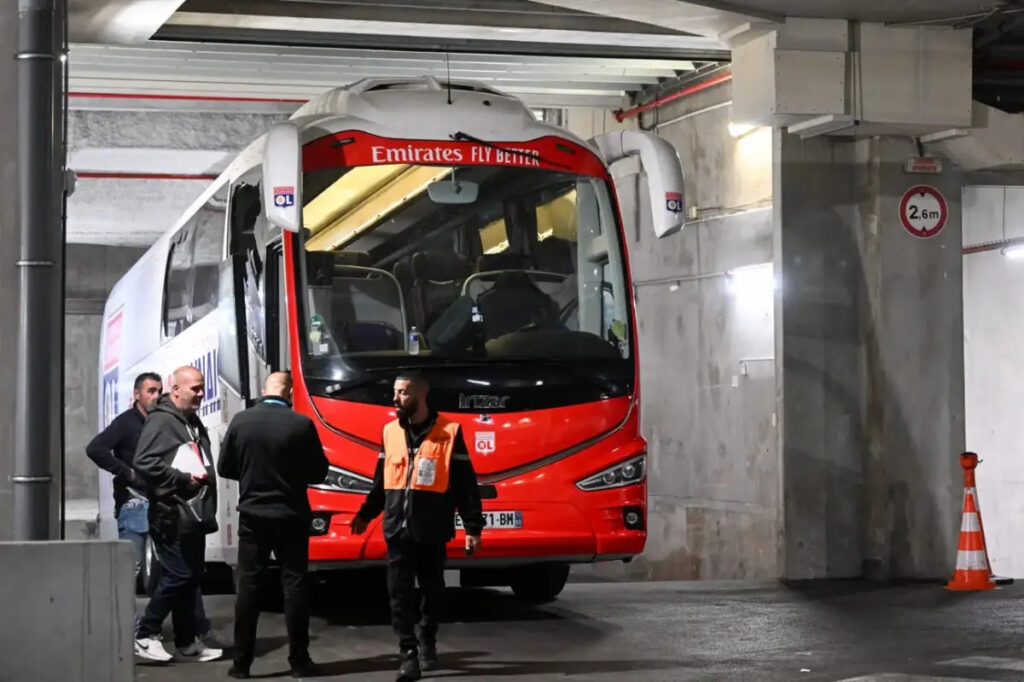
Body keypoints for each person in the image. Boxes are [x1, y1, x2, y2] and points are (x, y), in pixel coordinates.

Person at [351, 371, 484, 682]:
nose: (395, 398)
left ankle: (427, 637)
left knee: (432, 590)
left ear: (420, 395)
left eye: (402, 393)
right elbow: (380, 482)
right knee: (398, 593)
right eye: (395, 392)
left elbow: (465, 485)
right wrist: (365, 514)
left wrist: (473, 528)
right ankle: (407, 651)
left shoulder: (449, 431)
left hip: (432, 528)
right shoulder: (389, 432)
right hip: (397, 527)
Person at [85, 372, 218, 646]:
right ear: (137, 395)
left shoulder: (178, 421)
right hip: (135, 501)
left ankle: (191, 633)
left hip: (166, 501)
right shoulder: (129, 423)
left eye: (158, 390)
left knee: (183, 571)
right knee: (133, 567)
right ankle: (138, 631)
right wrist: (128, 473)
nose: (155, 396)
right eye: (150, 391)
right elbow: (96, 448)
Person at [217, 372, 329, 679]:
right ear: (289, 393)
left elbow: (224, 467)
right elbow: (319, 471)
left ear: (264, 390)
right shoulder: (301, 424)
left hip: (253, 516)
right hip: (292, 516)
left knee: (250, 588)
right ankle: (299, 661)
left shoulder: (241, 422)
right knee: (294, 586)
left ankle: (242, 665)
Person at [132, 366, 222, 663]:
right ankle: (146, 634)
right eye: (194, 388)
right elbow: (144, 462)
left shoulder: (190, 420)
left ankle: (186, 641)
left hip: (192, 516)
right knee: (179, 574)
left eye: (202, 387)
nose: (200, 393)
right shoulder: (162, 420)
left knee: (190, 577)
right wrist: (182, 479)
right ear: (176, 389)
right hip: (171, 514)